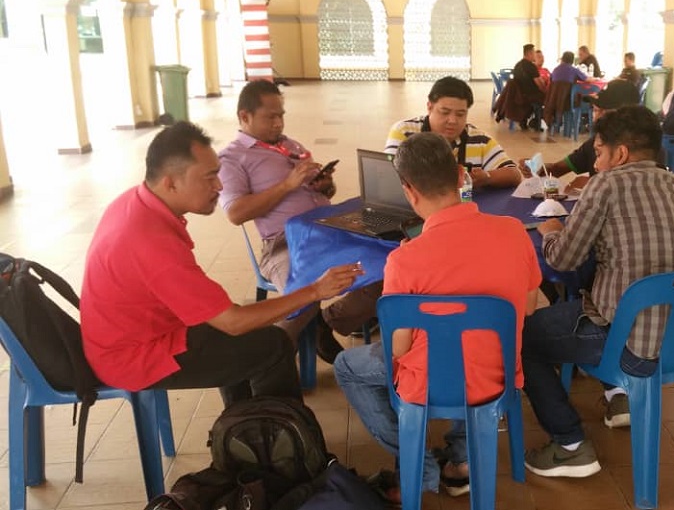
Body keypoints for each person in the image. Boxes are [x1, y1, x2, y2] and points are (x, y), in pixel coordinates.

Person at [80, 122, 361, 407]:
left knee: (247, 341)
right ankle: (279, 439)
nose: (220, 186)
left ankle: (247, 423)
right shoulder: (150, 242)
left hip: (140, 333)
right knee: (272, 347)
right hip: (136, 357)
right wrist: (315, 291)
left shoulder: (136, 201)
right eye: (209, 177)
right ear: (171, 182)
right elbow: (232, 322)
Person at [334, 132, 540, 503]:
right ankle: (461, 459)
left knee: (348, 366)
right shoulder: (513, 232)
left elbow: (399, 348)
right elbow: (527, 309)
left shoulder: (405, 260)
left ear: (408, 191)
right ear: (461, 174)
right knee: (473, 348)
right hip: (499, 376)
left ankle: (418, 462)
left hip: (427, 387)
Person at [520, 106, 674, 478]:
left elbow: (562, 259)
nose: (595, 162)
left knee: (522, 337)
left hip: (631, 348)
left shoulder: (605, 184)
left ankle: (570, 444)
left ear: (619, 154)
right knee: (604, 288)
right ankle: (617, 397)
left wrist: (550, 232)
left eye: (598, 153)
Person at [218, 80, 381, 362]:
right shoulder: (233, 159)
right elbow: (236, 213)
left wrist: (323, 186)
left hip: (330, 232)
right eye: (271, 116)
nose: (279, 123)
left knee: (383, 273)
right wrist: (287, 185)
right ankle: (270, 362)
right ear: (244, 117)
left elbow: (326, 193)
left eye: (281, 115)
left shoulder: (290, 146)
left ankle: (327, 322)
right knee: (302, 294)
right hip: (284, 244)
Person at [386, 76, 521, 189]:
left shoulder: (479, 140)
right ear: (429, 107)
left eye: (460, 114)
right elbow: (388, 175)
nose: (452, 120)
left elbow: (514, 174)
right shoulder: (404, 133)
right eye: (444, 112)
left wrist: (487, 178)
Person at [519, 79, 640, 190]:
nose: (596, 118)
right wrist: (536, 168)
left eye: (603, 111)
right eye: (595, 110)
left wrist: (595, 184)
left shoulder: (644, 152)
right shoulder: (595, 144)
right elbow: (557, 169)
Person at [512, 43, 546, 130]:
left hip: (519, 94)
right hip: (531, 95)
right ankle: (538, 123)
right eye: (534, 53)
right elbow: (539, 84)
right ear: (530, 54)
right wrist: (546, 91)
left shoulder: (517, 66)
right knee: (549, 99)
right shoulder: (531, 67)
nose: (535, 55)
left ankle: (525, 120)